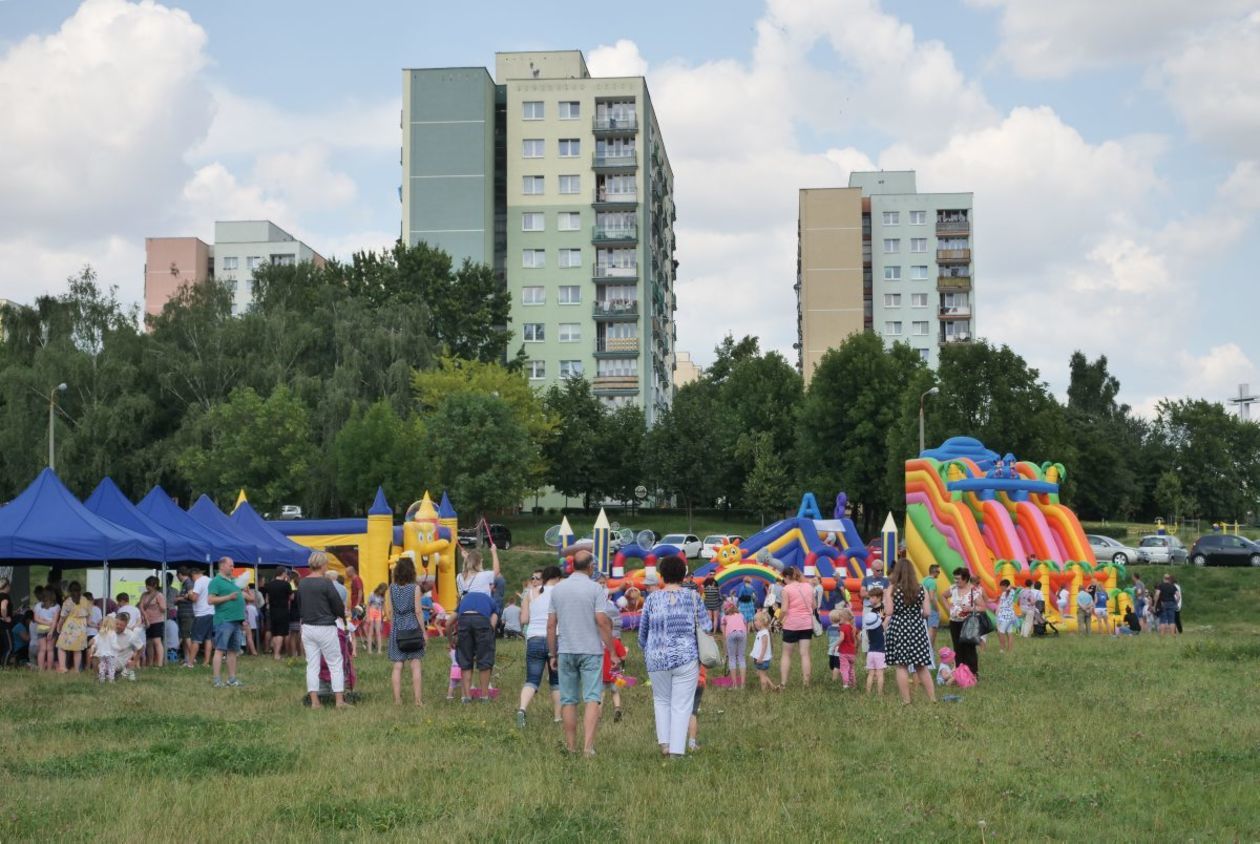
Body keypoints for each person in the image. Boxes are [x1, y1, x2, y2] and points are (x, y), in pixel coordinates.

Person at [637, 554, 709, 758]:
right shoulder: (693, 598)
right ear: (683, 575)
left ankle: (665, 744)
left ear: (662, 576)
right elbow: (707, 626)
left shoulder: (651, 599)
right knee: (682, 704)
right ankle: (677, 751)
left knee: (661, 700)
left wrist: (646, 647)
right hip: (686, 656)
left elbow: (643, 633)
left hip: (656, 656)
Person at [549, 550, 617, 755]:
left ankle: (570, 747)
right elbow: (602, 621)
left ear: (571, 567)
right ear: (590, 567)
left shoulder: (558, 589)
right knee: (592, 698)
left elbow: (551, 625)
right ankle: (588, 748)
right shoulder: (596, 589)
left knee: (568, 700)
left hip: (566, 650)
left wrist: (553, 654)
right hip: (590, 651)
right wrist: (613, 652)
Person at [883, 556, 937, 704]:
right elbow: (927, 612)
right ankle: (932, 699)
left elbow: (888, 611)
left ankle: (906, 701)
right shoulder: (922, 588)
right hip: (917, 628)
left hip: (899, 627)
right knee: (921, 666)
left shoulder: (892, 589)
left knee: (902, 665)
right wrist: (914, 613)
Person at [298, 552, 349, 707]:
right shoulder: (326, 583)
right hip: (325, 627)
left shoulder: (302, 583)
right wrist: (341, 615)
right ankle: (339, 701)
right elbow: (337, 605)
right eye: (326, 564)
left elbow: (299, 605)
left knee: (312, 665)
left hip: (307, 627)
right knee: (335, 663)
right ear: (322, 565)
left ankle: (315, 702)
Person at [517, 566, 563, 729]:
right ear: (557, 578)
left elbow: (524, 619)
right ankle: (558, 718)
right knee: (556, 681)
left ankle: (522, 709)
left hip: (534, 638)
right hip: (555, 638)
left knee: (532, 680)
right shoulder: (560, 592)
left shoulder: (530, 593)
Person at [387, 555, 425, 707]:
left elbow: (390, 611)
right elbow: (418, 611)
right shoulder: (415, 588)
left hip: (397, 628)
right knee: (415, 664)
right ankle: (418, 700)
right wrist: (423, 631)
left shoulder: (391, 588)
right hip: (413, 628)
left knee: (397, 666)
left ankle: (397, 700)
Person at [454, 582, 498, 703]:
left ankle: (466, 697)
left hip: (464, 621)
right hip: (483, 622)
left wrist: (450, 639)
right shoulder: (489, 599)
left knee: (465, 659)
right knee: (484, 658)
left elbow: (449, 622)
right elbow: (494, 617)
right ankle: (484, 697)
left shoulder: (465, 599)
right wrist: (490, 631)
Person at [207, 557, 246, 688]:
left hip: (236, 620)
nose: (232, 568)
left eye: (233, 565)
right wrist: (229, 597)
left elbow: (242, 597)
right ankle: (217, 680)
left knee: (233, 651)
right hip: (224, 620)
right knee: (219, 650)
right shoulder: (216, 582)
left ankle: (232, 679)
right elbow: (210, 600)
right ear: (222, 566)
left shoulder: (234, 581)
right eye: (230, 565)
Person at [778, 566, 817, 688]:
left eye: (783, 578)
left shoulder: (786, 589)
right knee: (805, 654)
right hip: (806, 624)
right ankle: (806, 683)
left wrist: (779, 620)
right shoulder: (808, 586)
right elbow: (814, 606)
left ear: (786, 577)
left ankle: (783, 683)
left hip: (791, 624)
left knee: (786, 654)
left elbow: (784, 609)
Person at [946, 569, 984, 678]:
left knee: (969, 648)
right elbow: (943, 596)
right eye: (955, 578)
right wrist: (948, 608)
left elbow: (982, 607)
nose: (955, 581)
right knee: (957, 648)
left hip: (968, 623)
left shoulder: (974, 591)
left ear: (965, 579)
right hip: (954, 622)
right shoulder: (953, 588)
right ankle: (960, 674)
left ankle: (973, 674)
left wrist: (971, 608)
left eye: (958, 579)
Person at [90, 614, 143, 682]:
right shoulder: (108, 631)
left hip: (121, 661)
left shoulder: (131, 636)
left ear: (126, 625)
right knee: (95, 655)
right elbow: (93, 641)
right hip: (109, 657)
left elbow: (141, 647)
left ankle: (115, 674)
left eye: (121, 625)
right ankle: (99, 676)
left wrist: (134, 662)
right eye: (117, 624)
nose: (118, 626)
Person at [56, 581, 92, 673]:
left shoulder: (68, 601)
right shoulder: (85, 600)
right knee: (78, 649)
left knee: (61, 646)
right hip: (81, 628)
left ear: (69, 591)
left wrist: (59, 626)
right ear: (80, 590)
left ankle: (62, 668)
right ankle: (76, 670)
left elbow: (63, 617)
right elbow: (89, 616)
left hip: (69, 626)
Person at [138, 576, 167, 668]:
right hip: (147, 621)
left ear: (155, 585)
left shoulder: (159, 595)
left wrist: (159, 606)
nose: (147, 587)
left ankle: (159, 663)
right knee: (149, 642)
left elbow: (163, 609)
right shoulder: (144, 595)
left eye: (149, 585)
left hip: (157, 620)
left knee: (157, 641)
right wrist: (145, 615)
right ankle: (150, 663)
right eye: (146, 585)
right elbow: (141, 606)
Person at [263, 570, 292, 660]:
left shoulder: (269, 585)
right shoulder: (286, 584)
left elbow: (267, 600)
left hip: (272, 610)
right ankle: (277, 654)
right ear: (283, 573)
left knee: (275, 633)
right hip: (283, 611)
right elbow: (291, 597)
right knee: (280, 633)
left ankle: (275, 652)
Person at [189, 566, 215, 667]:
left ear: (193, 575)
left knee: (196, 639)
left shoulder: (198, 581)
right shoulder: (210, 580)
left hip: (201, 614)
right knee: (208, 639)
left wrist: (189, 595)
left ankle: (190, 663)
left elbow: (195, 598)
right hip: (211, 612)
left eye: (192, 578)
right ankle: (206, 662)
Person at [864, 592, 887, 696]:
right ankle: (880, 693)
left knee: (870, 674)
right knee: (880, 674)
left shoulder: (869, 631)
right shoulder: (881, 629)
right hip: (880, 653)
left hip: (870, 653)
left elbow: (868, 639)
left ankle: (868, 693)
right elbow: (888, 618)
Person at [602, 632, 628, 723]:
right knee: (615, 692)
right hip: (615, 673)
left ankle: (598, 715)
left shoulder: (597, 642)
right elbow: (623, 657)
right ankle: (617, 709)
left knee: (601, 694)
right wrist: (626, 651)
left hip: (601, 673)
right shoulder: (616, 641)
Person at [174, 567, 197, 667]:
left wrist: (179, 598)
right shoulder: (184, 584)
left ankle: (192, 659)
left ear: (180, 574)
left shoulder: (189, 583)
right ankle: (187, 658)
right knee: (184, 636)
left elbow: (192, 597)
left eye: (177, 575)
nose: (177, 577)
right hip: (183, 613)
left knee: (187, 636)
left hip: (188, 613)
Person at [721, 600, 747, 689]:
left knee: (732, 658)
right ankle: (743, 685)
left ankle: (735, 685)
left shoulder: (724, 617)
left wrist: (725, 650)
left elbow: (724, 633)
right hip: (742, 633)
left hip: (731, 634)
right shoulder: (741, 615)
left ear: (726, 609)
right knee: (741, 658)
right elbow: (745, 624)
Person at [31, 588, 59, 671]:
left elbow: (36, 619)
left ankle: (40, 669)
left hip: (41, 629)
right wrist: (50, 629)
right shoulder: (56, 606)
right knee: (50, 650)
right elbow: (54, 621)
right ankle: (49, 669)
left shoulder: (38, 605)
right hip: (52, 629)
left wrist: (44, 622)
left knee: (42, 649)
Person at [750, 610, 777, 690]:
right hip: (760, 659)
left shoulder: (764, 633)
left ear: (762, 622)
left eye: (756, 620)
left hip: (762, 659)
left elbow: (764, 646)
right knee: (761, 674)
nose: (754, 622)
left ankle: (764, 693)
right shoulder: (761, 632)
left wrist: (761, 657)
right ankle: (773, 687)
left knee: (762, 677)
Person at [833, 606, 857, 688]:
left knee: (844, 668)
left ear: (844, 618)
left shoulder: (843, 627)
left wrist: (834, 645)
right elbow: (857, 639)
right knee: (851, 669)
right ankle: (853, 684)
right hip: (852, 652)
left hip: (844, 652)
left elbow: (842, 638)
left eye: (840, 617)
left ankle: (846, 684)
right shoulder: (853, 627)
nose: (839, 619)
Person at [687, 665, 707, 752]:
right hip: (699, 680)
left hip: (683, 680)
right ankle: (691, 743)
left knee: (678, 710)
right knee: (693, 713)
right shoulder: (702, 651)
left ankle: (674, 742)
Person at [922, 564, 941, 648]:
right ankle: (929, 649)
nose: (939, 573)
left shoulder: (923, 580)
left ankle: (924, 648)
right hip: (932, 609)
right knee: (932, 629)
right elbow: (932, 597)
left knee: (925, 630)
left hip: (923, 608)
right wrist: (937, 609)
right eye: (938, 571)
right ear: (935, 572)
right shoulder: (932, 582)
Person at [995, 579, 1017, 654]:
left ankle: (1002, 649)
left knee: (1001, 632)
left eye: (1002, 587)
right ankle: (1010, 650)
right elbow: (1001, 603)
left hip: (1006, 616)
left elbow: (1015, 588)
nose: (1001, 588)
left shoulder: (1010, 592)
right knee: (1009, 633)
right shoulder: (1004, 593)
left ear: (1005, 586)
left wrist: (1009, 587)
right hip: (1005, 615)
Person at [366, 583, 386, 653]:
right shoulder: (372, 594)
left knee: (378, 631)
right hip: (372, 611)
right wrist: (367, 616)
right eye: (382, 590)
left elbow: (383, 605)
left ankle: (379, 650)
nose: (382, 592)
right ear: (379, 588)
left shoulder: (382, 596)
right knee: (370, 631)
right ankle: (369, 650)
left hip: (379, 613)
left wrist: (384, 613)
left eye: (384, 591)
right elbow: (368, 605)